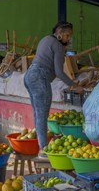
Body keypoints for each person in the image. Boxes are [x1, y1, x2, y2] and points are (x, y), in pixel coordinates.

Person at [24, 21, 83, 157]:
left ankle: (41, 146)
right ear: (59, 33)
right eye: (67, 35)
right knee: (42, 115)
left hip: (29, 76)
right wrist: (74, 85)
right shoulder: (57, 45)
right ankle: (43, 149)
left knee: (38, 113)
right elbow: (59, 72)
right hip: (40, 78)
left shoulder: (45, 39)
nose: (69, 39)